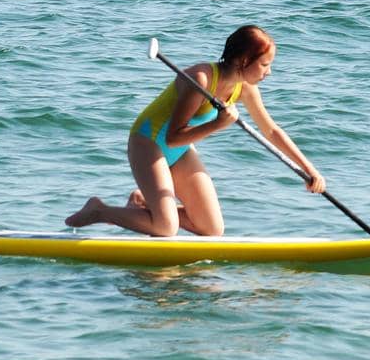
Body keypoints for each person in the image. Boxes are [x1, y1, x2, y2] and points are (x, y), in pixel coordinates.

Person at [65, 25, 327, 237]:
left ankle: (144, 205)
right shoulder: (200, 79)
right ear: (245, 60)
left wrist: (309, 170)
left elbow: (271, 131)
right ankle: (100, 211)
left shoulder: (244, 87)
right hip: (148, 143)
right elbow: (173, 135)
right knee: (165, 228)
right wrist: (217, 124)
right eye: (265, 64)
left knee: (211, 228)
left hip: (178, 151)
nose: (269, 72)